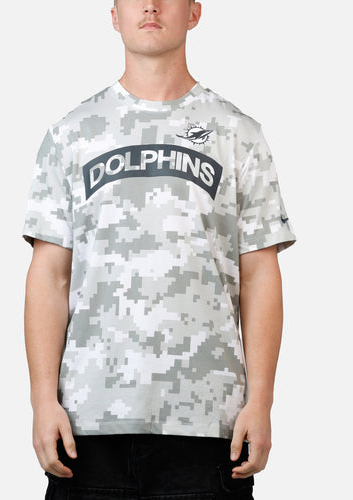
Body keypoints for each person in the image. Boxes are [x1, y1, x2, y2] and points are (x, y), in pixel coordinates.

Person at [23, 1, 296, 498]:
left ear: (194, 12)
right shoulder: (70, 135)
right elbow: (49, 275)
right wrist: (43, 400)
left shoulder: (238, 135)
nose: (150, 5)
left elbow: (260, 273)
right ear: (114, 15)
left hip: (210, 428)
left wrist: (261, 402)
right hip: (88, 426)